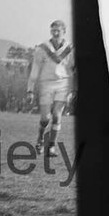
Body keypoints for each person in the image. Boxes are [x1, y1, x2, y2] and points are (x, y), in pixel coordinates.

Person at [27, 20, 76, 157]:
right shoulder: (42, 48)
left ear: (64, 32)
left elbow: (74, 70)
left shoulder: (71, 49)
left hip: (63, 84)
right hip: (46, 84)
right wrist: (30, 89)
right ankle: (40, 139)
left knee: (56, 115)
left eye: (58, 31)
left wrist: (73, 89)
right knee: (45, 118)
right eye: (53, 30)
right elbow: (35, 69)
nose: (55, 33)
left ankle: (52, 146)